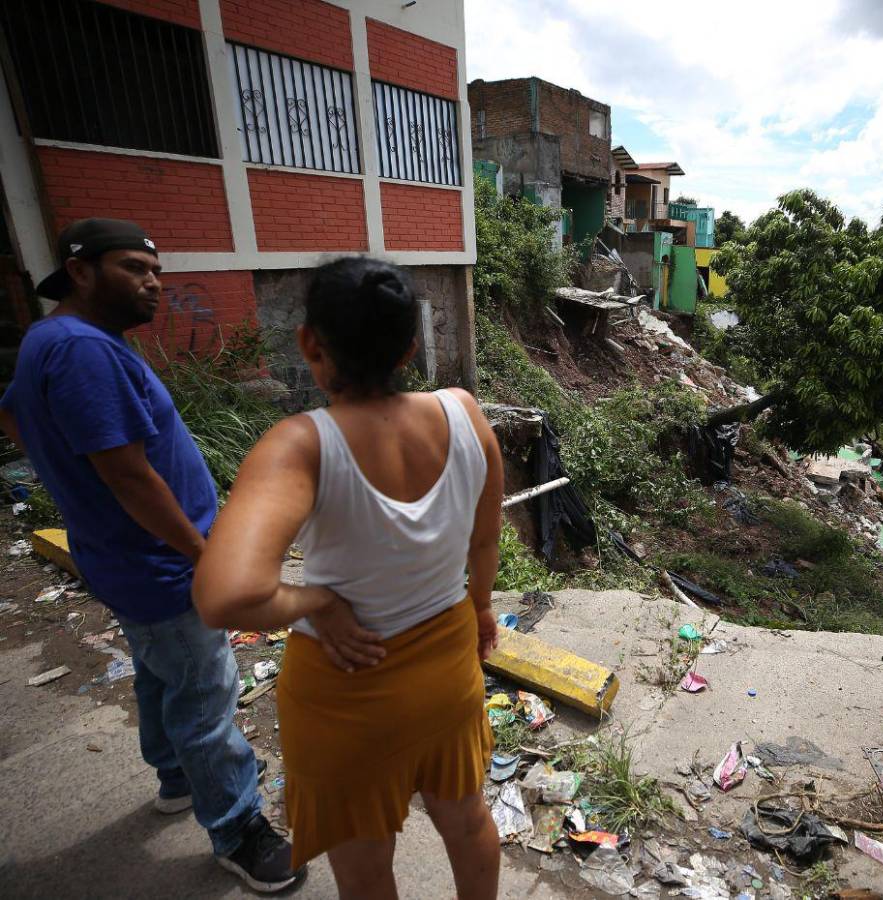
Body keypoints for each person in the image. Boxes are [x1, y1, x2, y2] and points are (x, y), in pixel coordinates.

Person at [0, 219, 303, 892]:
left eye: (156, 270)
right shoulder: (82, 350)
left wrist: (70, 487)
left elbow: (14, 414)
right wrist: (206, 554)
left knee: (160, 668)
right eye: (135, 267)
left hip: (122, 558)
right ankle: (237, 829)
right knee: (206, 696)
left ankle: (173, 778)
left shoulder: (50, 339)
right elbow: (129, 474)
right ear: (81, 271)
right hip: (162, 564)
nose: (154, 282)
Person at [193, 257, 505, 900]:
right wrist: (479, 611)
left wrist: (318, 602)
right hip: (448, 667)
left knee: (365, 866)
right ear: (411, 346)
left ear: (310, 342)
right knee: (468, 818)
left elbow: (225, 595)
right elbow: (483, 537)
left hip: (346, 687)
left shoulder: (299, 444)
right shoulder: (465, 413)